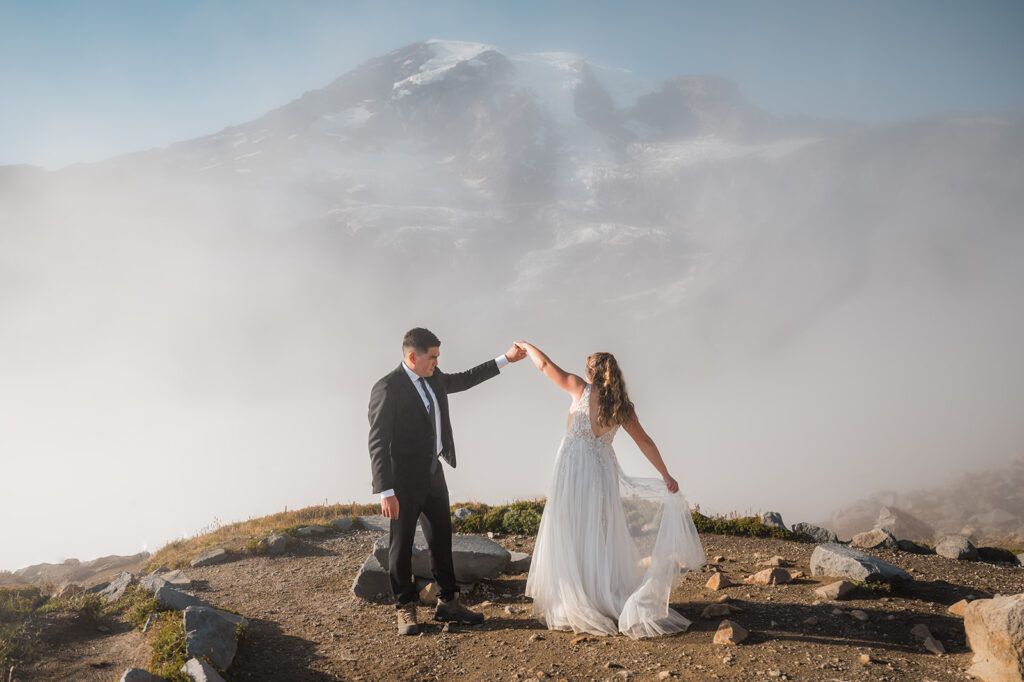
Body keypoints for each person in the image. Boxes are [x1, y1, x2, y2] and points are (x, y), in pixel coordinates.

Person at [517, 342, 705, 638]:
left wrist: (526, 346)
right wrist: (665, 475)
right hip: (600, 473)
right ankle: (599, 591)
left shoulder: (580, 389)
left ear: (591, 372)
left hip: (572, 470)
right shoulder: (621, 406)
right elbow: (645, 442)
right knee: (598, 532)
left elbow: (544, 365)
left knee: (568, 528)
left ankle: (577, 596)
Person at [368, 327, 526, 636]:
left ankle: (448, 603)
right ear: (412, 357)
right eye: (432, 357)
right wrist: (385, 491)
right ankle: (405, 609)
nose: (436, 363)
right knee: (400, 547)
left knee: (442, 537)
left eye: (438, 357)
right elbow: (377, 442)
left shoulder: (435, 378)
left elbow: (466, 379)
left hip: (433, 474)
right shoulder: (387, 388)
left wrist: (507, 359)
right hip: (402, 482)